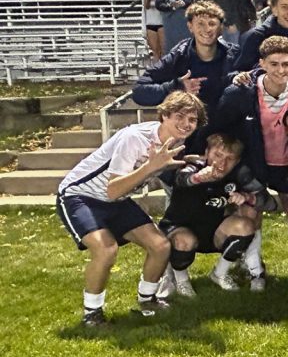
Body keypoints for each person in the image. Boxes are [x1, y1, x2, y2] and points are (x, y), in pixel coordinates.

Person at [57, 91, 204, 326]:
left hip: (117, 199)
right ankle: (92, 313)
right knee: (106, 250)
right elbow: (112, 189)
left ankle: (148, 298)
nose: (186, 124)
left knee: (160, 245)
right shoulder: (134, 138)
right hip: (82, 196)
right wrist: (150, 166)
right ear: (164, 115)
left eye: (193, 120)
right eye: (180, 116)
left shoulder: (176, 141)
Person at [213, 36, 288, 290]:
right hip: (254, 163)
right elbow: (220, 128)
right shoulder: (241, 92)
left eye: (285, 64)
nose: (280, 70)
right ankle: (255, 271)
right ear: (261, 64)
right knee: (251, 213)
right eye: (274, 64)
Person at [157, 133, 270, 297]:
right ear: (206, 152)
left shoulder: (238, 173)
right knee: (184, 241)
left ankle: (219, 274)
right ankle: (182, 281)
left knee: (245, 226)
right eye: (217, 155)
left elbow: (268, 202)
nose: (222, 163)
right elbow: (181, 178)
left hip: (214, 231)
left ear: (237, 161)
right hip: (179, 230)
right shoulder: (193, 166)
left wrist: (247, 197)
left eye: (230, 159)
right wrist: (198, 178)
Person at [133, 1, 237, 150]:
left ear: (220, 27)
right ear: (190, 27)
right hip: (185, 138)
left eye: (212, 24)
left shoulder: (234, 56)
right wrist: (177, 87)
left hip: (223, 137)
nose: (207, 29)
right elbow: (139, 91)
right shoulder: (178, 57)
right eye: (200, 24)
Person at [142, 0, 165, 64]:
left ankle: (165, 72)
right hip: (150, 25)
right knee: (155, 52)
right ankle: (157, 73)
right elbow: (143, 13)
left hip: (162, 25)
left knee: (164, 50)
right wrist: (143, 29)